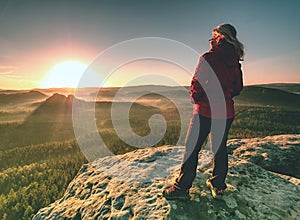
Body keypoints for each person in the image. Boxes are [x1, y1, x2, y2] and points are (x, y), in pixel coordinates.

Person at [163, 23, 244, 200]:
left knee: (192, 148)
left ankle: (181, 188)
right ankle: (218, 186)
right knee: (219, 148)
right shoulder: (234, 61)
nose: (210, 41)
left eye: (212, 37)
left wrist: (197, 99)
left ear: (218, 37)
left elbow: (197, 84)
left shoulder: (209, 57)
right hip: (226, 112)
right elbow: (238, 88)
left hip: (205, 112)